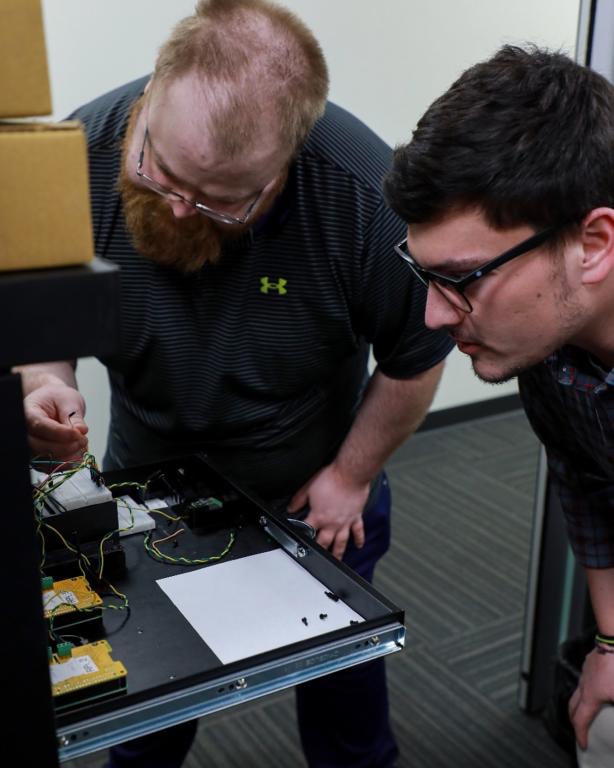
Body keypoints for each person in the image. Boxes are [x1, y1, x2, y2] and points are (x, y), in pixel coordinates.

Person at [19, 1, 453, 766]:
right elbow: (43, 328)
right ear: (153, 89)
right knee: (146, 703)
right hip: (145, 479)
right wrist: (44, 385)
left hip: (314, 491)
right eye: (160, 170)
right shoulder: (73, 157)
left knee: (345, 706)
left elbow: (415, 354)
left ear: (288, 160)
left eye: (222, 200)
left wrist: (352, 478)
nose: (179, 207)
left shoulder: (360, 193)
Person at [383, 44, 614, 768]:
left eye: (463, 278)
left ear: (593, 244)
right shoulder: (545, 353)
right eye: (424, 276)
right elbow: (586, 482)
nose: (432, 316)